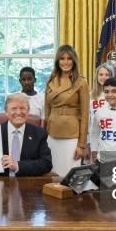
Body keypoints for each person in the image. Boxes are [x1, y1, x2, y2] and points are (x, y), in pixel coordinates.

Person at [44, 45, 89, 177]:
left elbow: (85, 115)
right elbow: (47, 111)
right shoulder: (50, 81)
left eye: (69, 58)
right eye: (62, 58)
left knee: (69, 178)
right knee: (52, 176)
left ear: (74, 61)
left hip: (71, 136)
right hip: (51, 134)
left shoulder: (81, 82)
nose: (66, 62)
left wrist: (81, 144)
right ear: (57, 61)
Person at [0, 93, 53, 176]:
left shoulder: (39, 133)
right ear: (6, 112)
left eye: (22, 108)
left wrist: (18, 165)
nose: (18, 112)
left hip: (27, 183)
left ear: (28, 111)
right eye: (13, 109)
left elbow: (46, 164)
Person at [88, 63, 116, 160]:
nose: (103, 77)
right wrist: (88, 143)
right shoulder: (90, 96)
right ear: (97, 76)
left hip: (111, 139)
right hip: (94, 139)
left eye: (106, 75)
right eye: (101, 74)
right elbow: (88, 120)